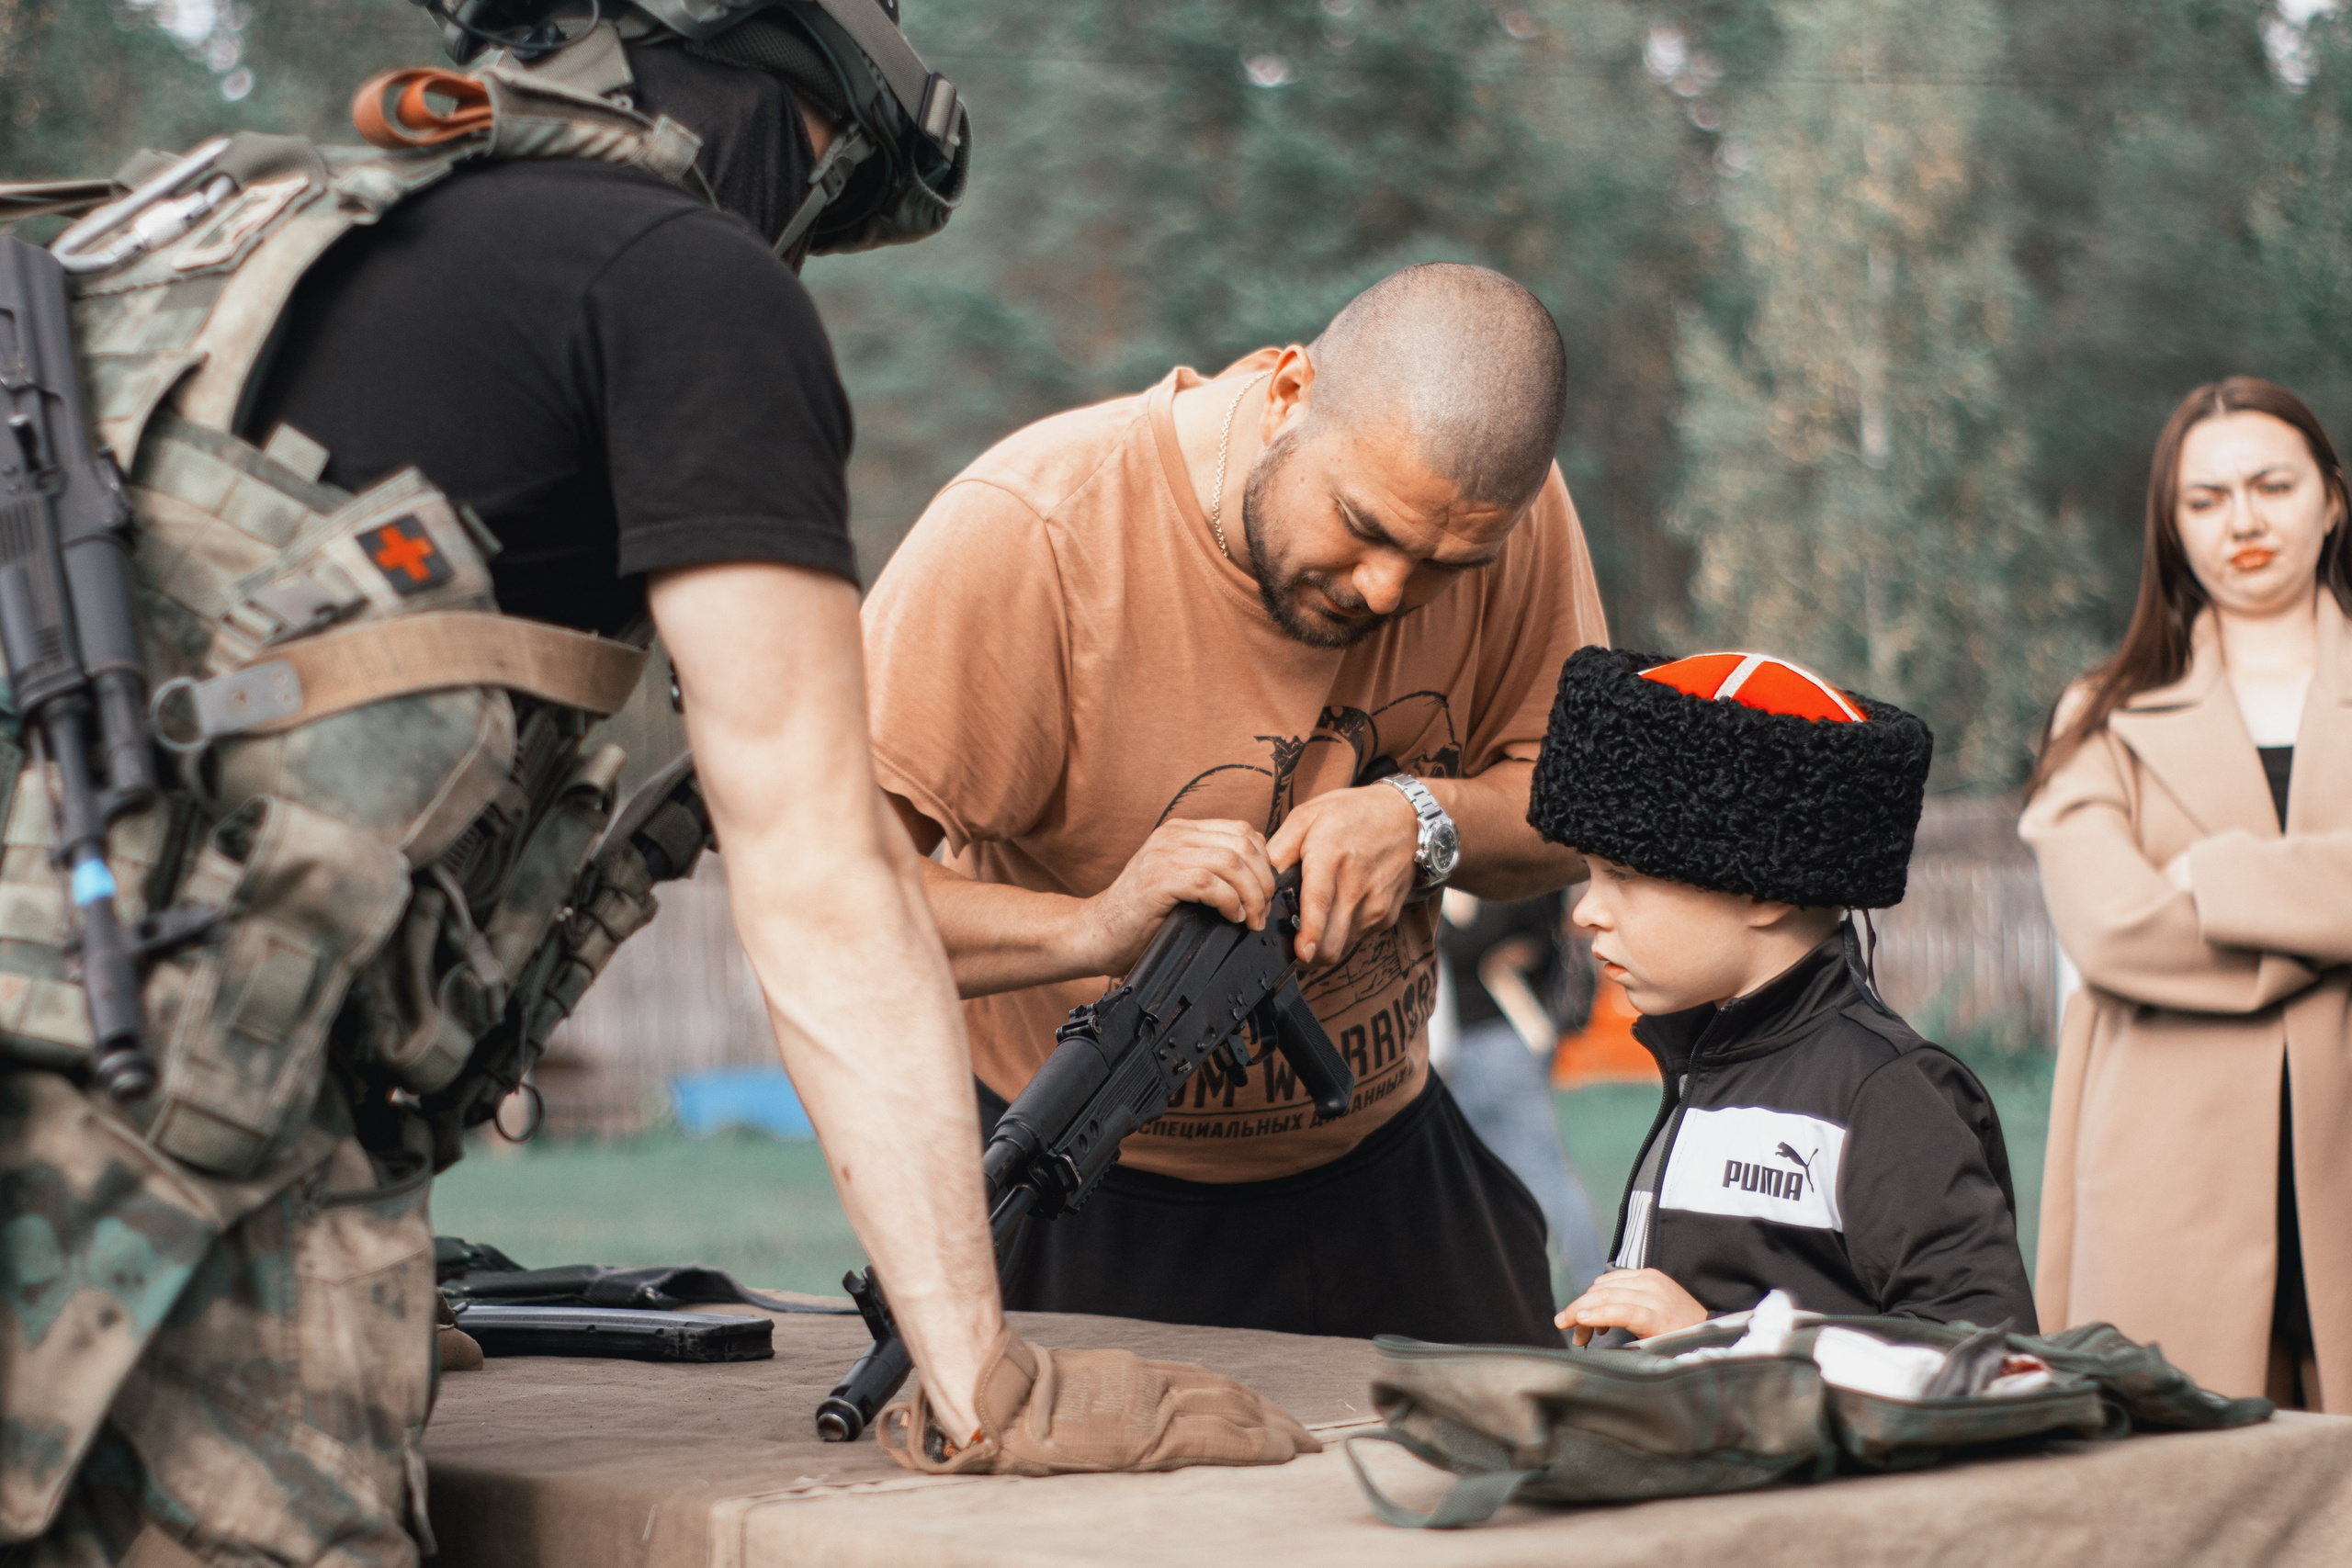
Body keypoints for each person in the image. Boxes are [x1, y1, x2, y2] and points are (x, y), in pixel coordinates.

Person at [3, 8, 1305, 1564]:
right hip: (154, 1152)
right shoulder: (688, 282)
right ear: (786, 119)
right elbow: (822, 870)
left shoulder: (223, 233)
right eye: (824, 185)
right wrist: (980, 1377)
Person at [862, 264, 1610, 1348]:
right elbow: (822, 902)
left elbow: (1577, 803)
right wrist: (1089, 928)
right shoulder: (1034, 534)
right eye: (1362, 525)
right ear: (1289, 393)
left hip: (1387, 1161)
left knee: (1520, 1501)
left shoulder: (1495, 510)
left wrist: (1423, 819)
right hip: (1075, 1180)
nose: (1388, 591)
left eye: (1448, 564)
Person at [1530, 649, 2037, 1345]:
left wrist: (1713, 1339)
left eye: (1622, 874)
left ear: (1762, 888)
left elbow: (1985, 1349)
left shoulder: (1886, 1096)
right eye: (1587, 875)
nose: (1585, 911)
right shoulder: (1701, 1062)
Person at [2023, 376, 2352, 1411]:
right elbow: (2113, 929)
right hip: (2170, 1181)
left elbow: (2161, 914)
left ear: (2331, 498)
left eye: (2271, 486)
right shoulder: (2100, 713)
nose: (2242, 521)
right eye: (2204, 500)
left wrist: (2211, 877)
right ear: (2170, 526)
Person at [1434, 891, 1609, 1296]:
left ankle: (1597, 1294)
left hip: (1497, 1037)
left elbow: (1473, 940)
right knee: (1488, 1184)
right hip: (1488, 1037)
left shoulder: (1502, 874)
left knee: (1541, 1178)